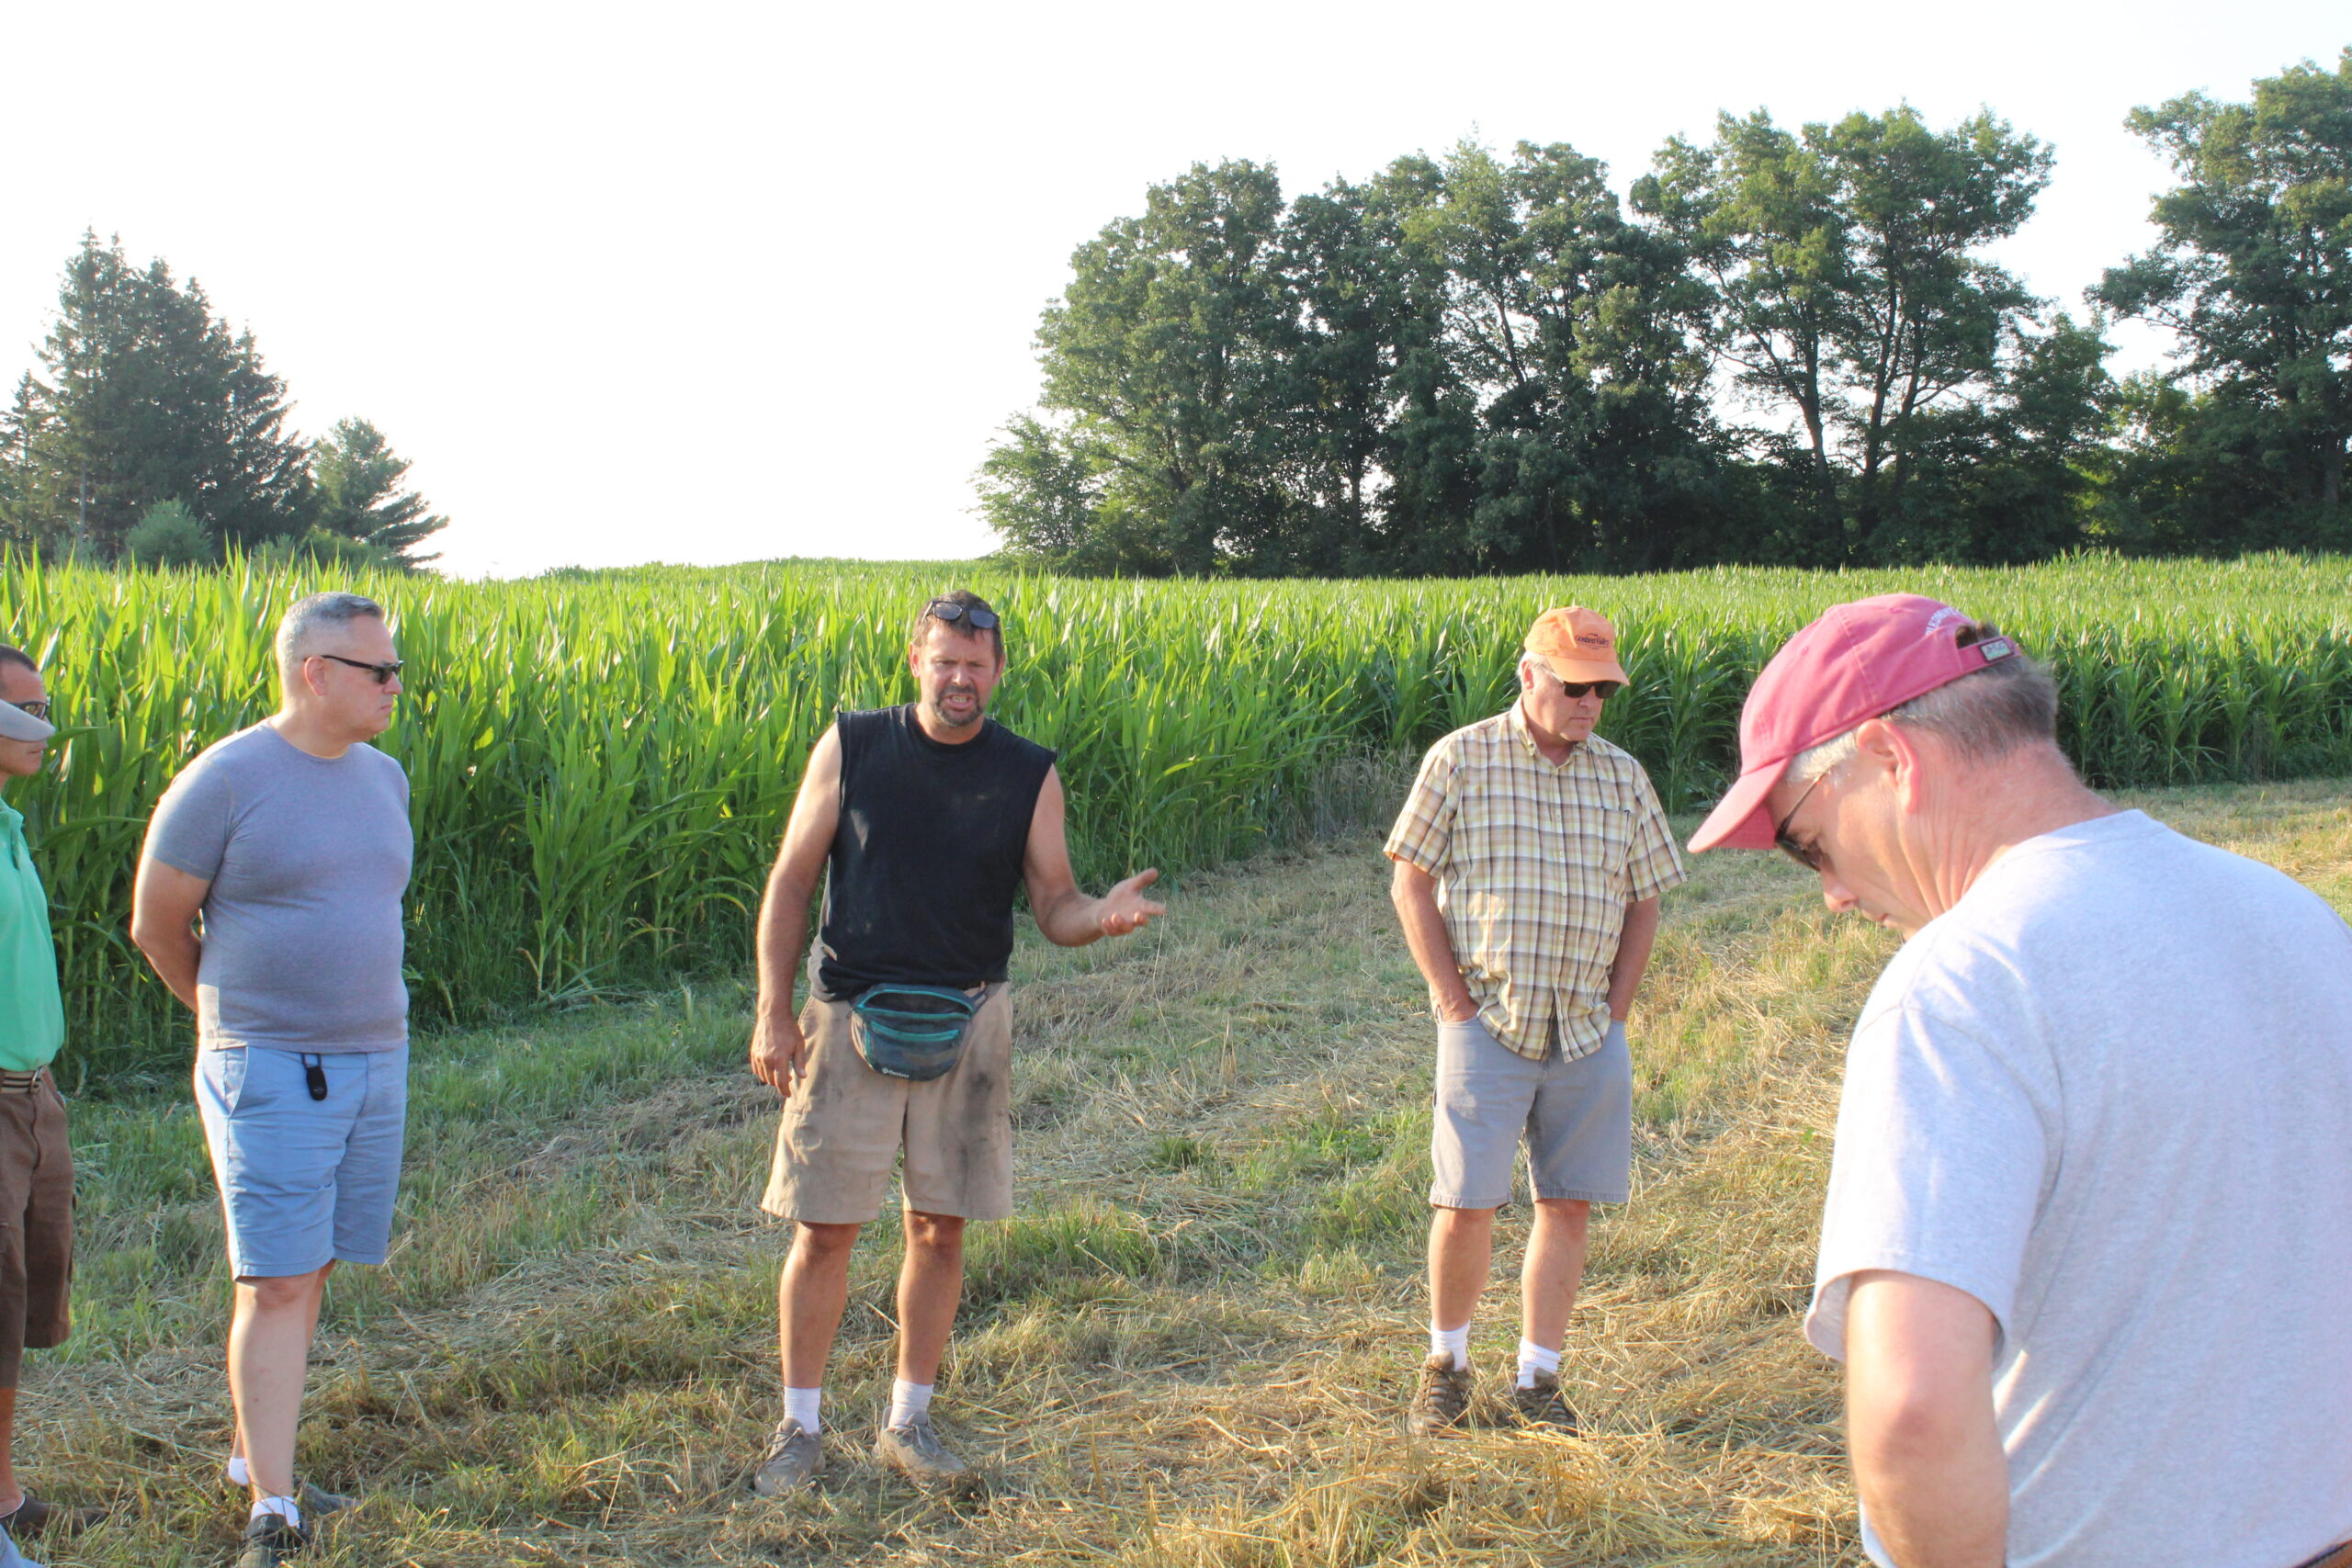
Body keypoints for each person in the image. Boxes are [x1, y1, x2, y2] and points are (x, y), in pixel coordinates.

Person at [1686, 592, 2352, 1568]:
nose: (1828, 891)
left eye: (1805, 840)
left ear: (1889, 759)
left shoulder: (1961, 984)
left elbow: (1911, 1407)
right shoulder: (2297, 920)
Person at [745, 590, 1165, 1495]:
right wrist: (773, 1010)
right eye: (945, 661)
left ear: (998, 671)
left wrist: (1100, 917)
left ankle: (910, 1419)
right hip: (847, 1015)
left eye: (977, 665)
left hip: (970, 1020)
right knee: (825, 1230)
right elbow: (789, 881)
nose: (960, 679)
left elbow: (1054, 903)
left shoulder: (1027, 772)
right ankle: (800, 1429)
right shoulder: (853, 744)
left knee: (939, 1228)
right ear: (916, 661)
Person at [131, 592, 413, 1568]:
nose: (394, 686)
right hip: (269, 1065)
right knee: (278, 1280)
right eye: (378, 670)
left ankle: (259, 1460)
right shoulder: (226, 779)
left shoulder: (385, 779)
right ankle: (275, 1509)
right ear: (316, 673)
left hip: (377, 1059)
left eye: (396, 669)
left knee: (314, 1265)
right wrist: (225, 1021)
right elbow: (158, 924)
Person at [1384, 605, 1684, 1437]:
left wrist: (1617, 1011)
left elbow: (1645, 896)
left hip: (1587, 1030)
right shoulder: (1461, 757)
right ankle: (1445, 1366)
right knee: (1466, 1201)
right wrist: (1452, 1000)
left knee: (1569, 1204)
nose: (1590, 703)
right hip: (1491, 1022)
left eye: (1602, 690)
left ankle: (1539, 1380)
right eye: (1575, 685)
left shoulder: (1622, 776)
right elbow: (1410, 879)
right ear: (1528, 675)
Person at [0, 647, 105, 1567]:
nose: (44, 725)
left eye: (44, 706)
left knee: (19, 1300)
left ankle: (2, 1497)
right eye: (22, 711)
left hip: (36, 1095)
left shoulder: (9, 827)